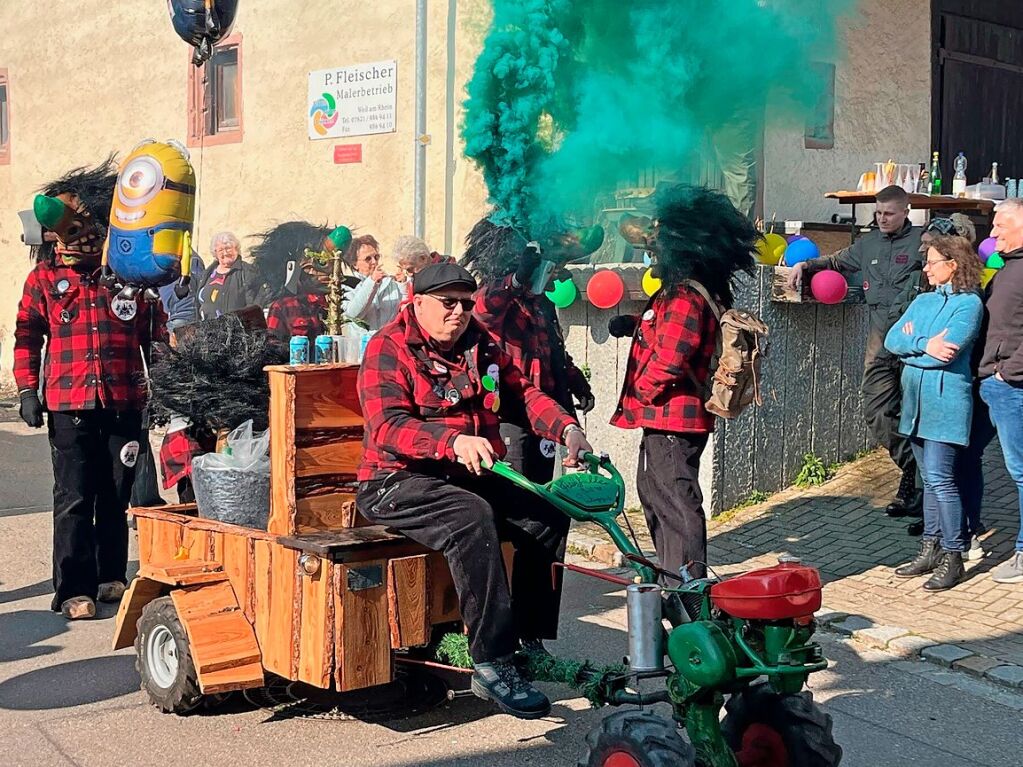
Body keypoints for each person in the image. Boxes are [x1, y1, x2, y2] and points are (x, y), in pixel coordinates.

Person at [355, 262, 592, 719]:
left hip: (463, 475)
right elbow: (387, 427)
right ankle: (491, 661)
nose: (460, 312)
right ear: (417, 301)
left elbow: (522, 395)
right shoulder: (388, 347)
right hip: (394, 480)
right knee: (470, 516)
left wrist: (566, 429)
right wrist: (452, 441)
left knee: (547, 510)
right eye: (449, 303)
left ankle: (527, 637)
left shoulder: (479, 342)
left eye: (466, 302)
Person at [13, 160, 167, 620]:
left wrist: (165, 391)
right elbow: (26, 334)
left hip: (123, 403)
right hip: (68, 404)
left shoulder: (129, 279)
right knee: (74, 496)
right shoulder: (44, 279)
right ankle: (72, 588)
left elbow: (154, 338)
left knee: (115, 494)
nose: (81, 238)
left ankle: (109, 575)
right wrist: (27, 390)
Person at [610, 185, 757, 581]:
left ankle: (687, 588)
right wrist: (633, 325)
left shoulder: (684, 297)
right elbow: (667, 337)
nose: (651, 246)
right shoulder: (683, 291)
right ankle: (671, 576)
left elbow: (671, 360)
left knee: (676, 502)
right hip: (668, 420)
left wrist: (642, 393)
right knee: (656, 495)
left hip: (673, 420)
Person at [788, 185, 924, 524]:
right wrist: (805, 264)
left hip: (918, 339)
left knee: (920, 416)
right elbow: (836, 261)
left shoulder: (923, 241)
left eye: (888, 213)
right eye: (877, 213)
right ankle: (914, 469)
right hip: (881, 342)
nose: (881, 218)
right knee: (876, 412)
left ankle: (920, 490)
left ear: (906, 212)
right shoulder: (868, 244)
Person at [463, 218, 595, 484]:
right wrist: (518, 279)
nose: (558, 273)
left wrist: (574, 380)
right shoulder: (497, 298)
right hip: (511, 414)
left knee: (543, 490)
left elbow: (553, 349)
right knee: (516, 494)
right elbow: (482, 308)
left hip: (544, 413)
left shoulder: (540, 303)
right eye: (553, 266)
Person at [885, 236, 984, 590]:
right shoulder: (923, 300)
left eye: (931, 262)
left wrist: (918, 348)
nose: (925, 268)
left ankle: (953, 554)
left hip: (946, 407)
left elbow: (950, 352)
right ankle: (929, 547)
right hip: (915, 406)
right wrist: (924, 343)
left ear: (952, 265)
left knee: (942, 480)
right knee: (928, 480)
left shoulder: (969, 305)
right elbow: (892, 340)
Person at [978, 198, 1023, 584]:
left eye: (1001, 226)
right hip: (994, 383)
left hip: (1011, 385)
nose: (992, 233)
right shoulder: (1007, 267)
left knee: (1022, 472)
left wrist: (1008, 372)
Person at [251, 221, 350, 341]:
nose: (327, 274)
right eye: (311, 267)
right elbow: (273, 351)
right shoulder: (283, 307)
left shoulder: (328, 304)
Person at [194, 231, 265, 321]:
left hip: (235, 330)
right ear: (215, 253)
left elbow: (255, 304)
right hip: (208, 330)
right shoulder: (208, 273)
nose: (225, 252)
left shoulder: (247, 272)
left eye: (228, 248)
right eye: (221, 250)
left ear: (236, 249)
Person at [342, 234, 404, 330]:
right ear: (355, 264)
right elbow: (353, 315)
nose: (374, 262)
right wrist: (372, 282)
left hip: (388, 341)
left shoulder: (391, 283)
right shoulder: (348, 286)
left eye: (376, 257)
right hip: (361, 342)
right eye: (368, 259)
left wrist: (403, 284)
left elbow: (403, 311)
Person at [158, 249, 205, 338]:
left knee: (181, 349)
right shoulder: (169, 256)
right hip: (174, 315)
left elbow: (199, 286)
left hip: (184, 316)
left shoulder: (189, 258)